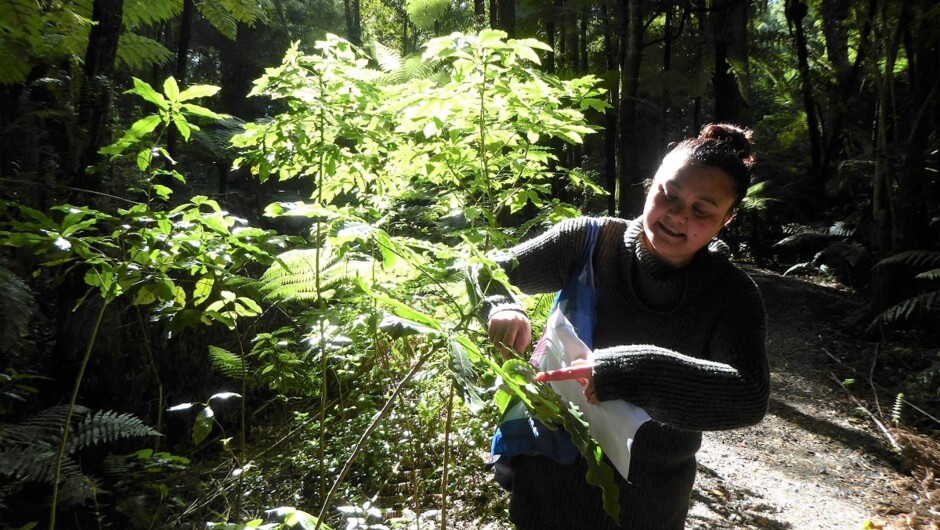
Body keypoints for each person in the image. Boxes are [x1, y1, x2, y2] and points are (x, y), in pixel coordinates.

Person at [476, 123, 770, 529]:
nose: (677, 216)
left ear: (728, 218)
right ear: (651, 184)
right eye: (668, 194)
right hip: (544, 483)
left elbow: (749, 396)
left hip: (646, 504)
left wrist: (631, 373)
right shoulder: (587, 242)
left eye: (702, 210)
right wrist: (502, 306)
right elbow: (488, 273)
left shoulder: (732, 296)